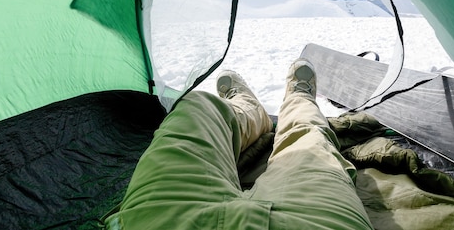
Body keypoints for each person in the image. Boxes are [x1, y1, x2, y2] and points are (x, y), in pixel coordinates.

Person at [104, 59, 374, 230]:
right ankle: (300, 100)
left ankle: (249, 110)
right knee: (309, 140)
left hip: (163, 220)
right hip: (313, 222)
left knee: (197, 107)